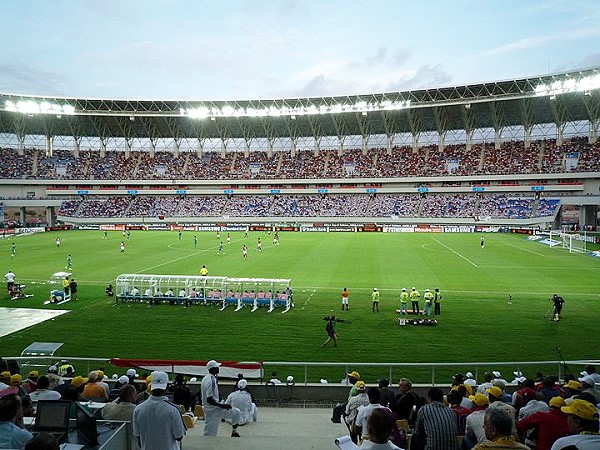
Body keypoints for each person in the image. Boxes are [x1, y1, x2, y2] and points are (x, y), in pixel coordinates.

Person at [133, 371, 185, 450]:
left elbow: (138, 436)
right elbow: (179, 436)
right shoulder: (173, 410)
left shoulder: (138, 409)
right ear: (167, 386)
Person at [201, 360, 242, 437]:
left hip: (211, 409)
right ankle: (234, 431)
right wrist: (222, 405)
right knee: (210, 434)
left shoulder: (206, 378)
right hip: (214, 410)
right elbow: (209, 399)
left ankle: (234, 431)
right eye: (217, 367)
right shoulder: (211, 380)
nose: (218, 369)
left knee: (236, 413)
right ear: (213, 369)